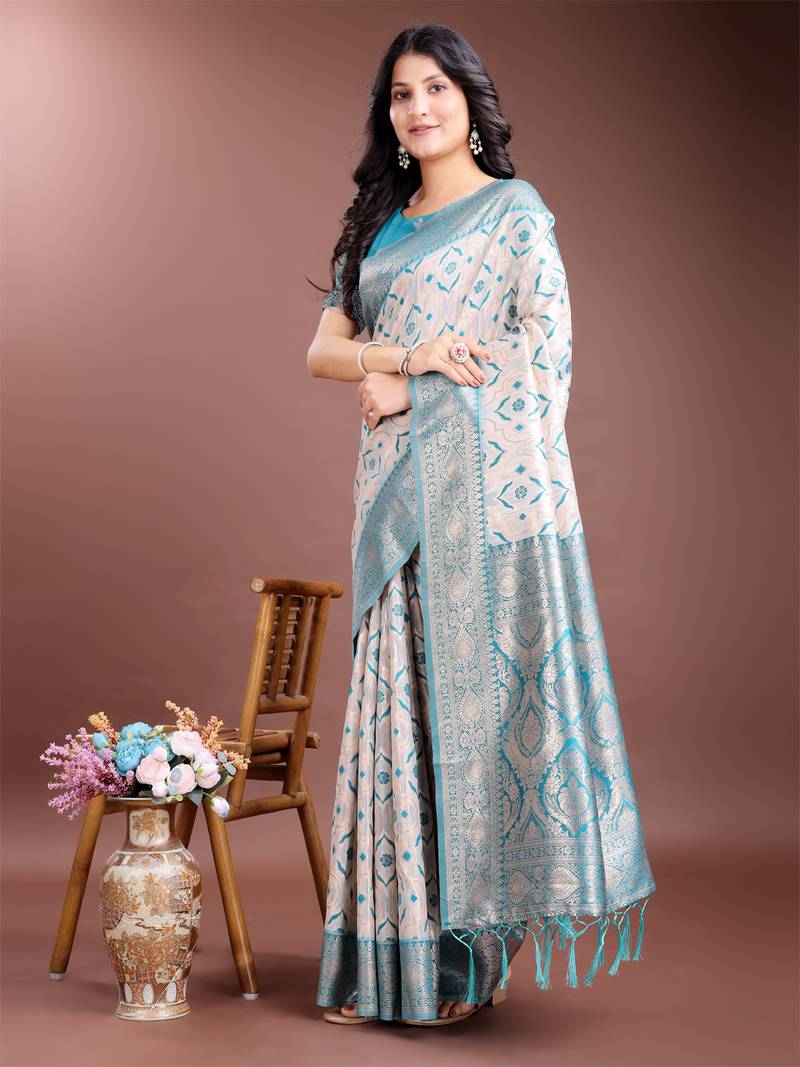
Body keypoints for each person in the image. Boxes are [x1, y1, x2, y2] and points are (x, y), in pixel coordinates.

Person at [306, 23, 656, 1027]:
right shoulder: (379, 227)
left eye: (435, 89)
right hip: (393, 513)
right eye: (400, 94)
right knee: (395, 728)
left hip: (480, 515)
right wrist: (404, 358)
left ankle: (459, 972)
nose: (418, 107)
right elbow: (323, 352)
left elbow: (543, 362)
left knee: (470, 732)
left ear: (469, 102)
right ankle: (389, 968)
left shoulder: (513, 214)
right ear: (388, 116)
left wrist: (411, 394)